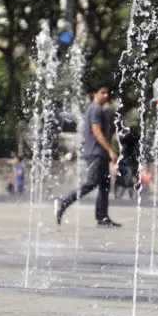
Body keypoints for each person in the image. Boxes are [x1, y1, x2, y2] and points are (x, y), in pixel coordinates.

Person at [55, 84, 121, 227]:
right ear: (94, 93)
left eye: (107, 93)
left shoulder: (98, 109)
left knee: (104, 185)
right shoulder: (95, 109)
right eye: (102, 92)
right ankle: (64, 201)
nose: (106, 95)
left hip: (99, 153)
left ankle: (102, 217)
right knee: (92, 182)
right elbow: (96, 132)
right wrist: (110, 150)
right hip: (96, 152)